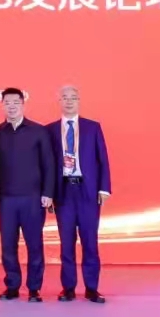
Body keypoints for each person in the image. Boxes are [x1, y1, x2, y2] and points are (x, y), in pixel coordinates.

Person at [46, 85, 111, 304]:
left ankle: (92, 288)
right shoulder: (50, 130)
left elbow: (103, 159)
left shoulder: (93, 127)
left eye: (73, 98)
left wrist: (104, 188)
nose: (69, 101)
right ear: (59, 101)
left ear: (79, 100)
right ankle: (68, 288)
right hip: (63, 191)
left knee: (90, 242)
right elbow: (47, 165)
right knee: (66, 243)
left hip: (88, 192)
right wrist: (48, 193)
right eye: (65, 97)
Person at [0, 87, 56, 303]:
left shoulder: (38, 131)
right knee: (8, 245)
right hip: (6, 199)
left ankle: (34, 288)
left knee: (34, 245)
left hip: (33, 199)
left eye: (15, 102)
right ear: (2, 105)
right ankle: (12, 285)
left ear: (23, 104)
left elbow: (49, 164)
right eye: (7, 103)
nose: (11, 106)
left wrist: (48, 193)